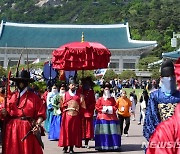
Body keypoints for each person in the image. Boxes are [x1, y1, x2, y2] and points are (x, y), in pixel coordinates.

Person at [1, 69, 46, 154]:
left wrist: (37, 125)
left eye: (23, 81)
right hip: (12, 128)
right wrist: (4, 112)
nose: (21, 83)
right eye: (19, 81)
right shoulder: (12, 96)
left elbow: (41, 114)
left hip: (27, 127)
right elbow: (4, 111)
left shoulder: (34, 97)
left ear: (27, 83)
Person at [143, 59, 180, 141]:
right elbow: (151, 118)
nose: (170, 79)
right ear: (161, 78)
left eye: (172, 77)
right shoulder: (155, 96)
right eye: (167, 77)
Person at [58, 78, 86, 153]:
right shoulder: (64, 95)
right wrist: (65, 107)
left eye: (74, 85)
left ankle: (71, 147)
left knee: (73, 131)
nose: (73, 86)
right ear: (69, 86)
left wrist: (79, 111)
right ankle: (65, 146)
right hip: (66, 115)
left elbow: (83, 106)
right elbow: (61, 105)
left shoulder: (80, 96)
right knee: (66, 131)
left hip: (76, 116)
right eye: (72, 85)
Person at [95, 82, 121, 151]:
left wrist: (110, 109)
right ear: (103, 90)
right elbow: (97, 107)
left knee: (112, 132)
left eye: (108, 89)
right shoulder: (100, 99)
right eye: (105, 89)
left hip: (112, 117)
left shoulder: (112, 99)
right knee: (103, 132)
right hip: (102, 117)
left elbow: (115, 106)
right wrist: (104, 109)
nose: (107, 90)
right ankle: (103, 146)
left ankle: (114, 145)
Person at [81, 77, 96, 149]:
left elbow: (93, 102)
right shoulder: (80, 91)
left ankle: (86, 142)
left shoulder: (91, 92)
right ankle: (79, 142)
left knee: (88, 128)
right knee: (80, 128)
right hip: (81, 112)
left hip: (88, 112)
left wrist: (89, 107)